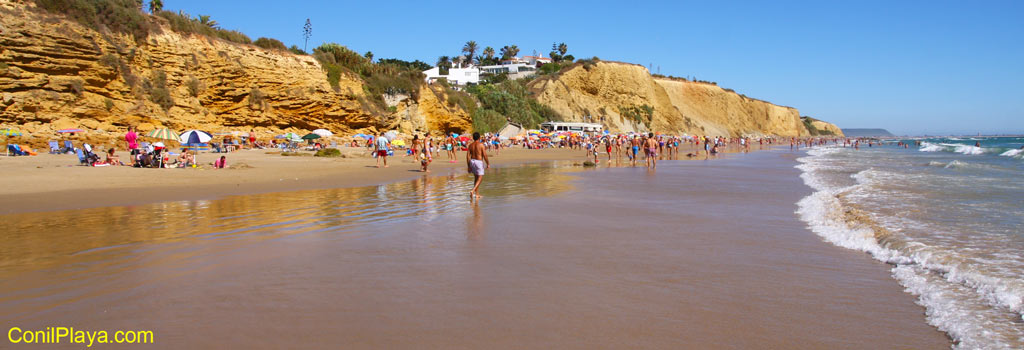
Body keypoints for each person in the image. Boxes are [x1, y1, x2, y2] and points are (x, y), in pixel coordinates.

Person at [466, 132, 489, 200]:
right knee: (480, 178)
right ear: (479, 138)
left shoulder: (470, 145)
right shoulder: (481, 145)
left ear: (473, 138)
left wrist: (469, 166)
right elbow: (485, 155)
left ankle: (477, 194)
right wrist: (488, 163)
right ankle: (473, 190)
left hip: (472, 161)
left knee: (476, 178)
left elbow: (467, 156)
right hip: (478, 161)